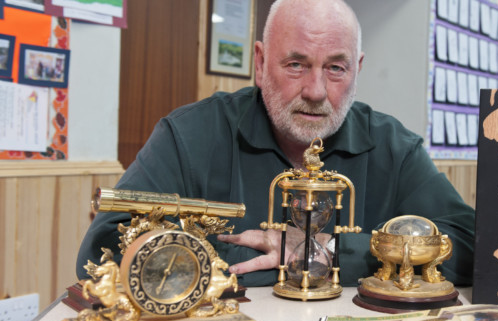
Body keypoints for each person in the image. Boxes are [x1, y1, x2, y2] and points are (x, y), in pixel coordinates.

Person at [76, 0, 475, 287]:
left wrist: (323, 252)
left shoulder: (394, 148)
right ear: (261, 63)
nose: (316, 91)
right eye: (296, 65)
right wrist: (283, 260)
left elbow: (468, 244)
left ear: (358, 69)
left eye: (336, 68)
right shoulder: (191, 134)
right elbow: (104, 249)